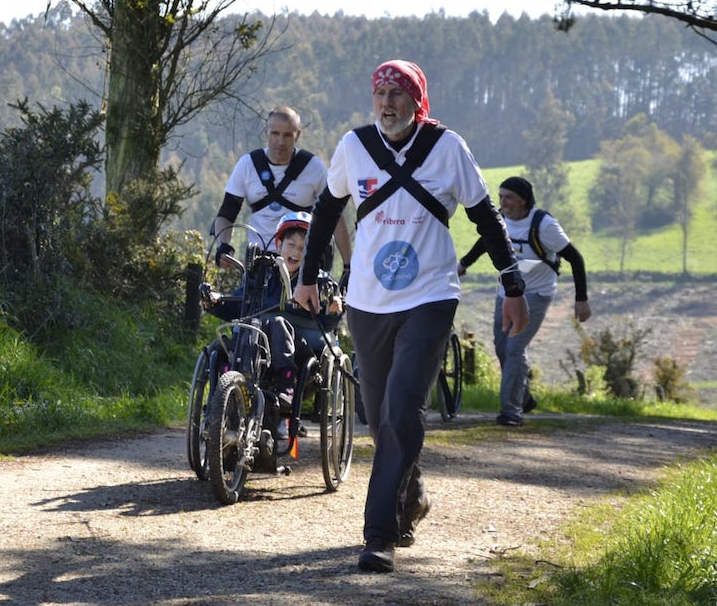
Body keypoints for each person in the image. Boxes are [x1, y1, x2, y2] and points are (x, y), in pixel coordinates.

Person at [293, 59, 529, 574]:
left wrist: (513, 286)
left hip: (429, 296)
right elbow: (328, 210)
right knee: (378, 417)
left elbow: (487, 218)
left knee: (401, 409)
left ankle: (378, 535)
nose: (387, 102)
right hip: (368, 300)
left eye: (397, 93)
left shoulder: (447, 148)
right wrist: (307, 276)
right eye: (380, 93)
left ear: (417, 102)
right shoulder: (354, 146)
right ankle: (412, 493)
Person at [457, 176, 591, 427]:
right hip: (507, 292)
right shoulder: (501, 219)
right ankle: (524, 397)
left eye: (509, 197)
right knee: (501, 347)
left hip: (537, 294)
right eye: (501, 196)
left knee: (514, 348)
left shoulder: (544, 225)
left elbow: (575, 258)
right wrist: (464, 264)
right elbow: (486, 241)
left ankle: (511, 411)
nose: (503, 202)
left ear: (523, 200)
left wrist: (581, 299)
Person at [203, 212, 342, 424]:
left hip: (301, 345)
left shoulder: (320, 281)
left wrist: (332, 309)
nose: (296, 251)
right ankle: (224, 389)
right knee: (222, 345)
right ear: (278, 245)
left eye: (303, 248)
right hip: (259, 339)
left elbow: (327, 323)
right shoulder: (262, 275)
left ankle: (287, 382)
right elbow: (239, 306)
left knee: (277, 323)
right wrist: (215, 302)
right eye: (291, 245)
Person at [211, 105, 351, 275]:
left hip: (302, 261)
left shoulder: (314, 168)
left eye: (287, 135)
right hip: (259, 261)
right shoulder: (248, 165)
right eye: (275, 133)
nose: (281, 141)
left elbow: (334, 216)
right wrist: (223, 245)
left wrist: (348, 265)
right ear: (266, 132)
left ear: (297, 135)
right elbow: (227, 212)